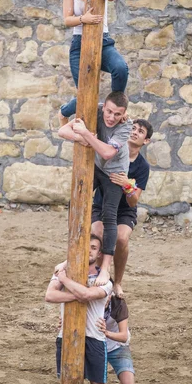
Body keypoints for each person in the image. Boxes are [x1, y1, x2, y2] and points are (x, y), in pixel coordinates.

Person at [58, 92, 133, 287]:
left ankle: (106, 268)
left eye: (117, 114)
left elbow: (107, 153)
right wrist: (83, 137)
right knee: (76, 202)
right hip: (97, 166)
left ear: (124, 114)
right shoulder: (95, 110)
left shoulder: (126, 125)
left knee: (109, 216)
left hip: (115, 173)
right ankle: (72, 256)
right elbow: (62, 131)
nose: (111, 117)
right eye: (109, 111)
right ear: (104, 107)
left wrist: (85, 135)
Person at [45, 234, 113, 384]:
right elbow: (49, 296)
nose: (89, 251)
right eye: (86, 247)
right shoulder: (62, 271)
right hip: (66, 336)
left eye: (93, 247)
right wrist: (78, 294)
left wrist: (66, 282)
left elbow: (87, 295)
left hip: (94, 339)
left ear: (99, 253)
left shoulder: (105, 280)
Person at [59, 0, 128, 123]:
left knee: (120, 68)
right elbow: (67, 20)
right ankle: (64, 112)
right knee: (85, 93)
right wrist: (84, 19)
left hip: (103, 41)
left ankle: (116, 108)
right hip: (79, 44)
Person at [91, 118, 152, 298]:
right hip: (101, 204)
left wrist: (127, 185)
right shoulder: (113, 150)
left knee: (122, 238)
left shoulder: (142, 166)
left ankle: (117, 282)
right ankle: (99, 276)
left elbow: (134, 202)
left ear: (146, 140)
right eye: (133, 128)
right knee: (98, 235)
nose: (134, 132)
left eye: (140, 131)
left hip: (124, 210)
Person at [97, 294, 144, 384]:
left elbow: (124, 336)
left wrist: (106, 332)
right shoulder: (89, 302)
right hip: (95, 347)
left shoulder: (118, 303)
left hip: (117, 346)